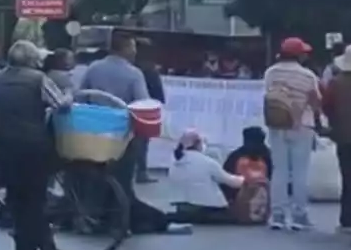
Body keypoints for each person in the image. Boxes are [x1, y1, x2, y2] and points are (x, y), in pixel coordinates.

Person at [0, 40, 69, 250]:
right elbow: (60, 105)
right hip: (31, 145)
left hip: (2, 145)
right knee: (34, 199)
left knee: (18, 199)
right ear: (33, 60)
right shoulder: (37, 79)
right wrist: (69, 97)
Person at [79, 33, 150, 204]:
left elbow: (81, 97)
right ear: (124, 49)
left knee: (92, 172)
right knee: (123, 174)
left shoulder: (93, 68)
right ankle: (119, 209)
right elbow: (142, 103)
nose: (135, 51)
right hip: (121, 132)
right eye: (132, 47)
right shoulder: (134, 73)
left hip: (94, 130)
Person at [262, 36, 322, 230]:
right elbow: (315, 102)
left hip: (277, 125)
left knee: (279, 171)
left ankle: (277, 215)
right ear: (299, 55)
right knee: (299, 172)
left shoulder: (271, 72)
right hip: (302, 126)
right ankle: (299, 215)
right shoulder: (308, 76)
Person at [168, 129, 244, 225]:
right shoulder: (207, 162)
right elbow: (231, 182)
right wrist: (246, 179)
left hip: (182, 207)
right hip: (206, 208)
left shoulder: (175, 160)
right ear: (198, 144)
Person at [323, 43, 351, 235]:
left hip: (344, 136)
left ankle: (348, 220)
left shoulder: (336, 82)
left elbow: (326, 106)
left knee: (349, 177)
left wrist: (335, 122)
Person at [134, 39, 167, 184]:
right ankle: (141, 172)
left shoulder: (129, 66)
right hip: (143, 110)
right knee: (142, 142)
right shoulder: (149, 68)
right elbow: (158, 92)